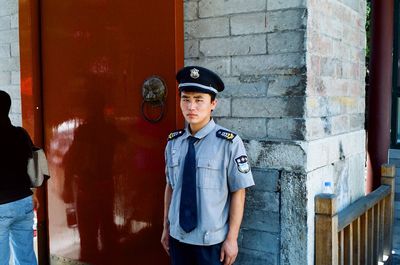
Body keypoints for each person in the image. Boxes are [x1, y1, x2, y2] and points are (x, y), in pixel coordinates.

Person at [161, 66, 255, 265]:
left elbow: (239, 191)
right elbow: (170, 187)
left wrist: (232, 238)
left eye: (199, 100)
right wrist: (165, 228)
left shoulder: (229, 143)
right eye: (186, 99)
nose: (191, 107)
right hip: (178, 238)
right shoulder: (173, 143)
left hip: (211, 243)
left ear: (213, 104)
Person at [0, 90, 38, 265]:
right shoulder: (21, 134)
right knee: (26, 256)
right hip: (23, 201)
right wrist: (35, 193)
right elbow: (36, 163)